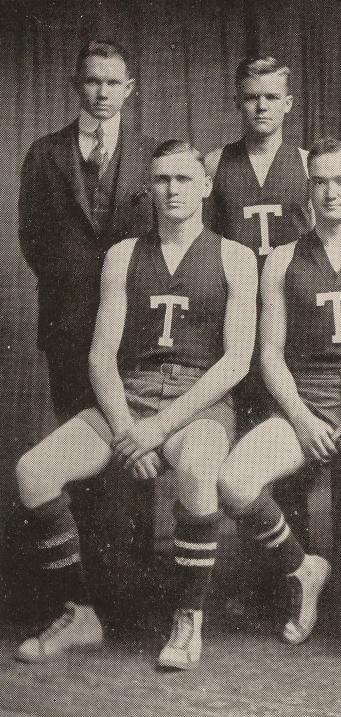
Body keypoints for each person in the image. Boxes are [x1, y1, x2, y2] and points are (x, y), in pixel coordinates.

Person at [13, 140, 258, 670]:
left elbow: (236, 362)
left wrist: (161, 427)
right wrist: (129, 430)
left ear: (205, 186)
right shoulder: (123, 254)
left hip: (198, 401)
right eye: (162, 180)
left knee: (196, 469)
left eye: (184, 180)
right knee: (34, 472)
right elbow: (101, 358)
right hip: (130, 395)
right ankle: (80, 612)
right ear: (149, 186)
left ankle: (188, 616)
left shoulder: (235, 257)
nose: (172, 190)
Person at [217, 139, 341, 676]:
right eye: (319, 182)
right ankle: (303, 567)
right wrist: (303, 418)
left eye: (339, 181)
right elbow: (270, 354)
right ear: (308, 189)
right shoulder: (282, 259)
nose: (329, 193)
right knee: (235, 480)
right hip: (304, 397)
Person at [19, 39, 155, 422]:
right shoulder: (45, 153)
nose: (102, 92)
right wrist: (70, 279)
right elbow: (33, 239)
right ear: (76, 84)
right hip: (68, 316)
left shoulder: (151, 155)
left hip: (135, 318)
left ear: (129, 88)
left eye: (113, 83)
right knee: (74, 432)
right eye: (93, 81)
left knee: (132, 433)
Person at [205, 55, 312, 429]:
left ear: (288, 102)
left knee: (290, 419)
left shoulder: (306, 162)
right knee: (235, 424)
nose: (262, 106)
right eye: (252, 97)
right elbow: (205, 242)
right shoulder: (215, 163)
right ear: (237, 101)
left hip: (293, 311)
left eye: (271, 96)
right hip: (235, 311)